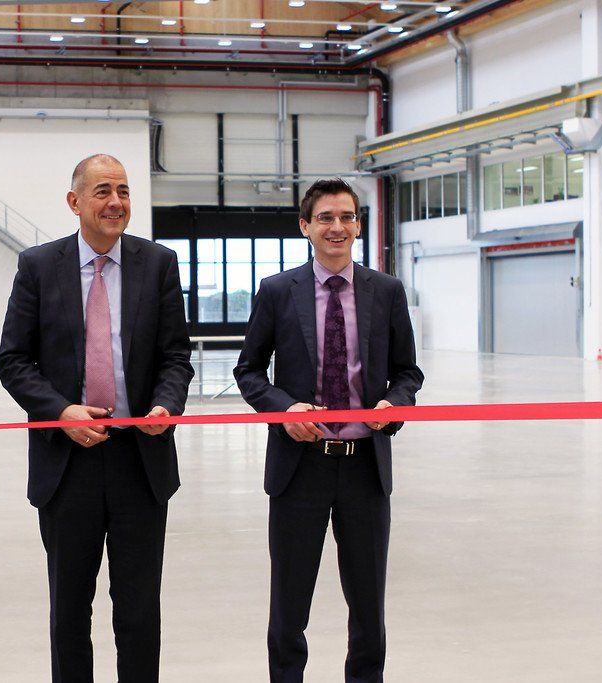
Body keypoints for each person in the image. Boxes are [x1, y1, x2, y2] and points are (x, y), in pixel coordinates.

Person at [0, 154, 193, 682]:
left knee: (139, 612)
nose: (116, 202)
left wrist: (165, 406)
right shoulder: (39, 266)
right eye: (103, 190)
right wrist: (60, 411)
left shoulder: (158, 264)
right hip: (68, 464)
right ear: (74, 201)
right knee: (69, 611)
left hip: (140, 460)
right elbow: (13, 360)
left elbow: (176, 356)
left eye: (123, 191)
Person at [234, 178, 423, 683]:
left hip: (365, 469)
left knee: (368, 604)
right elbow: (248, 371)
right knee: (289, 603)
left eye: (346, 217)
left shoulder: (386, 291)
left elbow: (408, 372)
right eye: (325, 218)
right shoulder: (278, 291)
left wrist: (394, 404)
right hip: (300, 469)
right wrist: (284, 409)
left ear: (358, 225)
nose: (336, 227)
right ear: (305, 226)